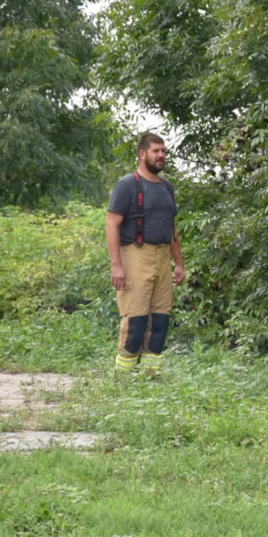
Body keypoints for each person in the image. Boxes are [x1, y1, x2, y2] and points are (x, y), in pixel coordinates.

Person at [105, 132, 185, 375]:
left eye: (163, 151)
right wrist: (116, 265)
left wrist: (178, 263)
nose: (161, 155)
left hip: (162, 258)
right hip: (135, 255)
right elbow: (111, 224)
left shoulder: (166, 188)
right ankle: (123, 379)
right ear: (142, 154)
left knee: (160, 321)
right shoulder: (127, 185)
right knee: (135, 321)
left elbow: (171, 228)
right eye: (155, 151)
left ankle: (151, 378)